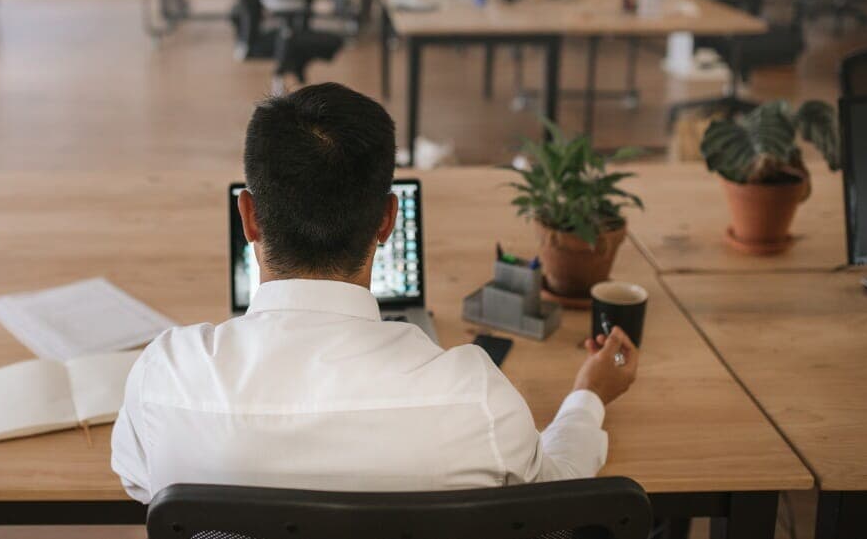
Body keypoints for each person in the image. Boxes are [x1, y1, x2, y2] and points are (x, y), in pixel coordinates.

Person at [111, 82, 638, 503]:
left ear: (248, 216)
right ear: (387, 220)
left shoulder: (165, 380)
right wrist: (587, 397)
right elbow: (563, 490)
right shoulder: (476, 399)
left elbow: (142, 485)